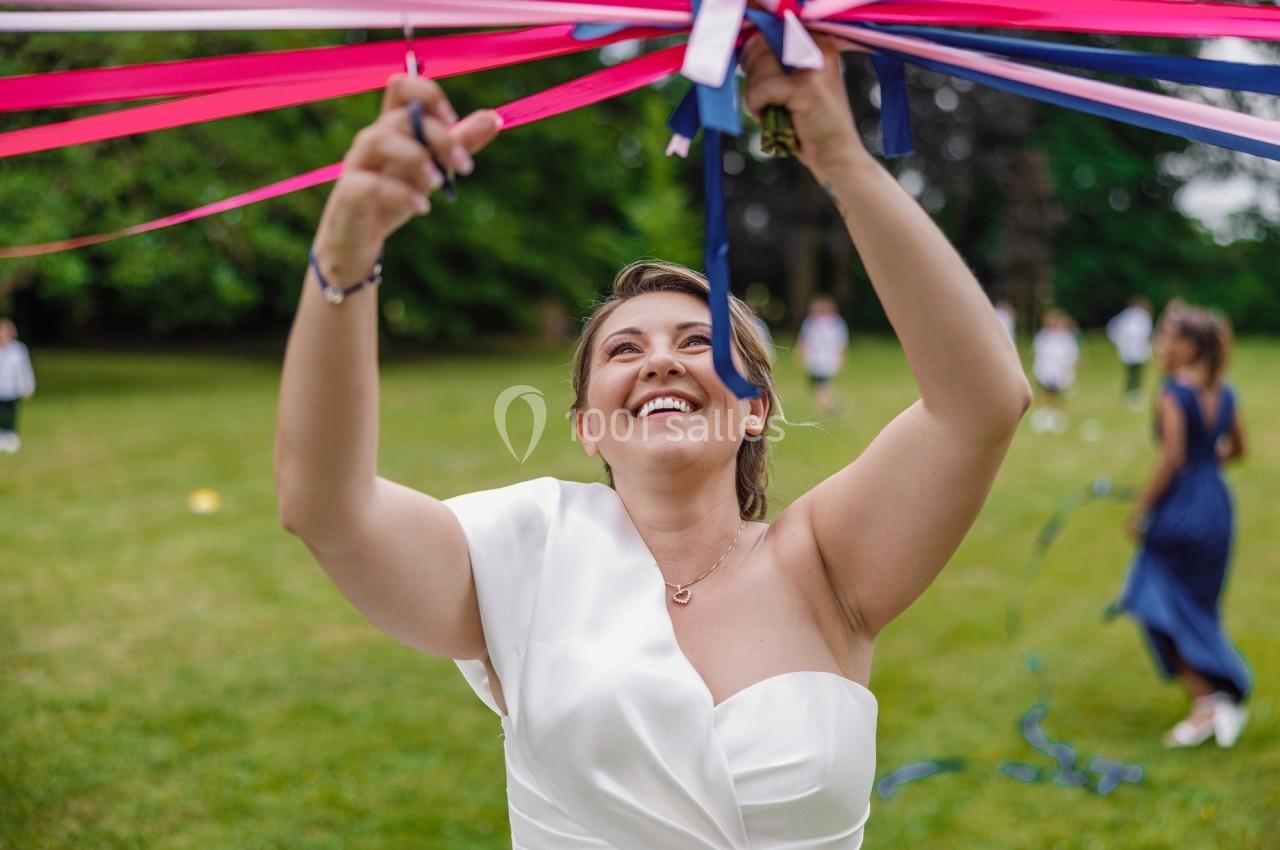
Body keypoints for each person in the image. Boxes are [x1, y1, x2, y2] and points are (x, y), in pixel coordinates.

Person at [275, 35, 1030, 849]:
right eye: (624, 350)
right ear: (587, 425)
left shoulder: (826, 563)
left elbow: (981, 404)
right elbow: (328, 506)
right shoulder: (523, 554)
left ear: (754, 410)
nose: (662, 358)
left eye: (699, 341)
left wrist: (840, 156)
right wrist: (345, 254)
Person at [1117, 303, 1250, 748]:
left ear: (1188, 346)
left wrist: (1141, 509)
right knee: (1198, 606)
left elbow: (1171, 457)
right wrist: (1204, 465)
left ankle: (1209, 703)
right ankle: (1222, 696)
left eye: (1164, 337)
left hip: (1180, 511)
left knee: (1157, 602)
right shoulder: (1224, 391)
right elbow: (1237, 449)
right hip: (1216, 505)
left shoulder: (1174, 392)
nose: (1158, 346)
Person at [795, 295, 848, 416]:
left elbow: (840, 343)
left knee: (822, 385)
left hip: (826, 359)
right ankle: (829, 405)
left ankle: (826, 407)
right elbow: (804, 339)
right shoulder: (812, 322)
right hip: (816, 359)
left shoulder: (834, 324)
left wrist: (841, 359)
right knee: (818, 385)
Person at [1030, 308, 1079, 434]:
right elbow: (1039, 354)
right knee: (1046, 394)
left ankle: (1058, 416)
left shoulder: (1065, 337)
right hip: (1045, 370)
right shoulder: (1042, 337)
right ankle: (1046, 415)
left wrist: (1067, 368)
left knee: (1058, 395)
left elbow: (1071, 354)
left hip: (1060, 371)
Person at [1107, 296, 1153, 409]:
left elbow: (1112, 328)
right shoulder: (1138, 316)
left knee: (1134, 372)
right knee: (1134, 372)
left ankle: (1133, 393)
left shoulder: (1126, 316)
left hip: (1133, 349)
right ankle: (1132, 393)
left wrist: (1118, 342)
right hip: (1132, 349)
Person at [0, 318, 36, 454]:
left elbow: (24, 369)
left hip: (11, 387)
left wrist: (28, 386)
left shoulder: (18, 350)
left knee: (10, 412)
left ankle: (10, 435)